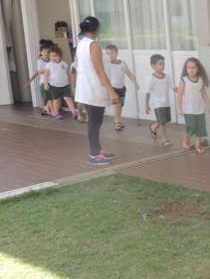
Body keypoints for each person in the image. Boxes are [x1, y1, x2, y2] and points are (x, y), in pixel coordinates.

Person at [73, 16, 120, 167]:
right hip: (93, 89)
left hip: (86, 88)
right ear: (96, 29)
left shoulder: (81, 44)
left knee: (94, 121)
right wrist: (112, 91)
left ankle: (97, 150)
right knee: (95, 122)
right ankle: (94, 154)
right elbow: (99, 70)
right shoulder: (93, 45)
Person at [177, 57, 210, 153]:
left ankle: (198, 145)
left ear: (198, 69)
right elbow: (179, 95)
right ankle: (186, 139)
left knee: (200, 128)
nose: (191, 70)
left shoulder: (200, 80)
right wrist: (180, 108)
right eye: (188, 68)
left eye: (193, 68)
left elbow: (204, 93)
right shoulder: (183, 80)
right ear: (186, 69)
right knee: (191, 126)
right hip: (188, 109)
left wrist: (208, 105)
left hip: (199, 108)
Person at [104, 44, 138, 131]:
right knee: (117, 105)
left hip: (122, 88)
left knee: (120, 105)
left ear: (116, 53)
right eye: (107, 53)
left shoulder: (122, 63)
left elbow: (129, 73)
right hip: (113, 89)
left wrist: (135, 83)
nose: (110, 55)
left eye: (112, 53)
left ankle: (118, 120)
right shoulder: (107, 64)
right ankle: (117, 123)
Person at [145, 54, 175, 147]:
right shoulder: (151, 78)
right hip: (157, 104)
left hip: (166, 103)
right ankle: (164, 139)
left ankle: (153, 127)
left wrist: (183, 90)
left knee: (164, 121)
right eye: (160, 64)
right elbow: (148, 92)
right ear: (153, 66)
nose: (163, 66)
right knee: (163, 124)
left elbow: (174, 88)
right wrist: (146, 105)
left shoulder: (167, 77)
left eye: (163, 64)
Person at [42, 47, 79, 120]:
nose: (53, 58)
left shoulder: (64, 64)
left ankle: (74, 112)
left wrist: (70, 81)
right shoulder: (49, 65)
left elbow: (67, 73)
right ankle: (56, 113)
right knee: (56, 100)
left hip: (65, 85)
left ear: (60, 56)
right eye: (51, 56)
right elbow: (46, 75)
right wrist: (45, 84)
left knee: (68, 98)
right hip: (54, 86)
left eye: (55, 56)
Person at [25, 40, 53, 115]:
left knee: (52, 96)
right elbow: (38, 72)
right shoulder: (40, 61)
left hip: (53, 82)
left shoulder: (52, 60)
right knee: (45, 97)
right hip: (43, 82)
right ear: (41, 52)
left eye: (48, 52)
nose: (46, 53)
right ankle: (45, 108)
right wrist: (29, 81)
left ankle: (46, 108)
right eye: (44, 52)